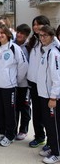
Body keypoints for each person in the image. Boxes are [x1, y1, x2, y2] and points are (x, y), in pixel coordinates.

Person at [0, 24, 28, 147]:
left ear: (7, 34)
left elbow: (23, 66)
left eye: (2, 32)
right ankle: (0, 132)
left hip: (9, 86)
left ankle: (10, 135)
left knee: (9, 112)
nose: (0, 35)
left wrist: (15, 79)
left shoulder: (14, 48)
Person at [37, 25, 60, 164]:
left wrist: (53, 97)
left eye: (45, 35)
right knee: (48, 125)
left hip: (51, 97)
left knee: (54, 126)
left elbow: (57, 77)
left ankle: (57, 153)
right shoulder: (46, 51)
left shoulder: (54, 53)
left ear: (52, 36)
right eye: (40, 35)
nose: (42, 38)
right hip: (44, 95)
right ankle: (52, 147)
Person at [27, 15, 50, 148]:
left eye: (39, 24)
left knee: (47, 114)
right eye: (34, 24)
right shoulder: (34, 41)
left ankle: (51, 140)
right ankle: (39, 137)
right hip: (34, 83)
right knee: (37, 113)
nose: (35, 27)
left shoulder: (52, 43)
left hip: (46, 85)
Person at [14, 24, 31, 140]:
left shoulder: (30, 47)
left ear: (26, 35)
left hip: (25, 84)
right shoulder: (11, 45)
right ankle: (13, 129)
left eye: (22, 33)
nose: (19, 35)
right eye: (18, 32)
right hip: (13, 83)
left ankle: (23, 129)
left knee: (24, 107)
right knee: (14, 107)